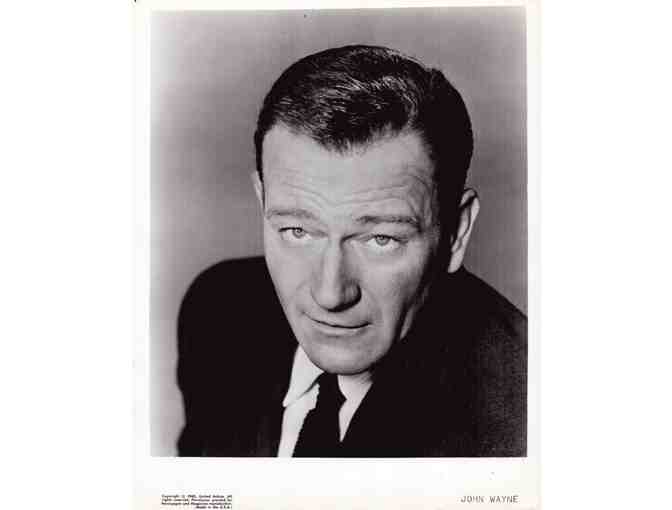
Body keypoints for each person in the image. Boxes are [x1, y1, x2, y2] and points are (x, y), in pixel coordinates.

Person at [176, 45, 526, 457]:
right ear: (262, 200)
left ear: (456, 232)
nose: (330, 295)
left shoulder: (522, 414)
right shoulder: (218, 313)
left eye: (381, 239)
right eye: (297, 231)